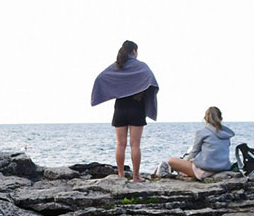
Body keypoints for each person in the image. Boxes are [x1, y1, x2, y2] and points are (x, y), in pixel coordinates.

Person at [90, 40, 159, 182]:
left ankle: (121, 175)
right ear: (134, 51)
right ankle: (135, 177)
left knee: (120, 144)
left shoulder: (116, 67)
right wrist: (142, 92)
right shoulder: (142, 67)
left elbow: (101, 78)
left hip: (120, 108)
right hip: (137, 107)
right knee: (135, 145)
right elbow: (152, 82)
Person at [166, 106, 234, 180]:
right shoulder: (226, 134)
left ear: (205, 118)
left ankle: (185, 172)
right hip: (223, 167)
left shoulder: (202, 132)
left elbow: (194, 153)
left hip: (206, 170)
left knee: (171, 161)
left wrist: (184, 161)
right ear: (221, 118)